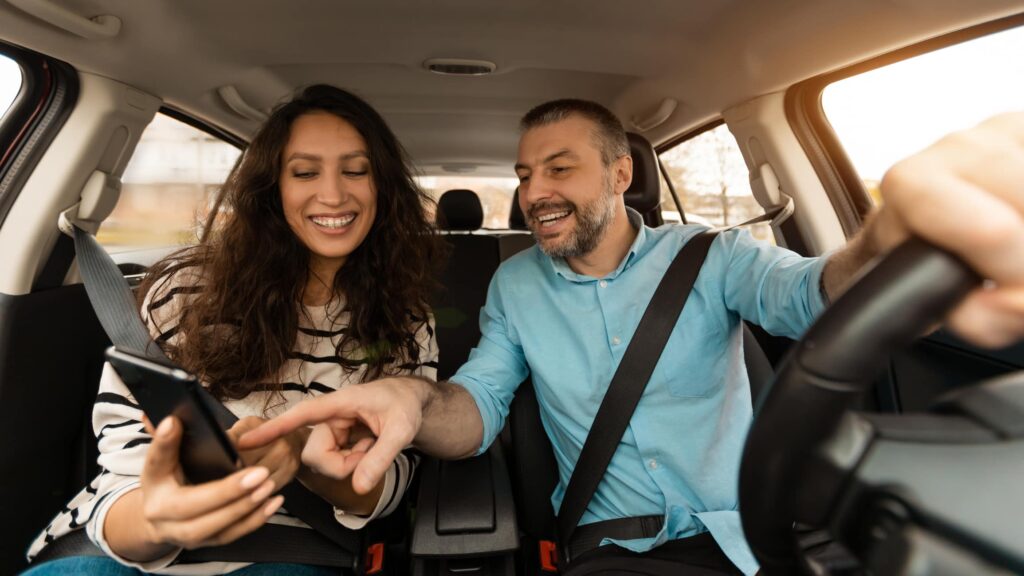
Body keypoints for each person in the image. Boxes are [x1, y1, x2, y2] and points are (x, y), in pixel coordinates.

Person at [241, 100, 1024, 575]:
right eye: (525, 173)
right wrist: (411, 400)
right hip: (618, 554)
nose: (535, 193)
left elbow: (817, 296)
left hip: (763, 531)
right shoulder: (515, 286)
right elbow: (476, 407)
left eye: (560, 169)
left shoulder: (711, 255)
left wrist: (892, 241)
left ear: (621, 175)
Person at [24, 84, 446, 575]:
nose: (333, 194)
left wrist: (302, 456)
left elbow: (387, 488)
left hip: (290, 551)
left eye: (356, 171)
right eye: (305, 172)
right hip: (125, 546)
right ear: (272, 189)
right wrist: (162, 523)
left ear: (383, 188)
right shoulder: (183, 290)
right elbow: (125, 468)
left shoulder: (406, 319)